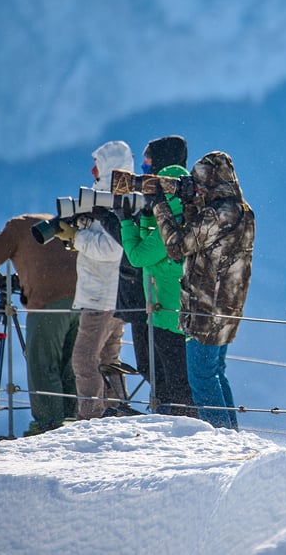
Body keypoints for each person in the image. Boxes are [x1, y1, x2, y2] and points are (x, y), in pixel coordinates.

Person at [153, 151, 255, 429]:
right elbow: (202, 241)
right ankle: (231, 434)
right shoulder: (241, 210)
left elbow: (176, 247)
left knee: (201, 378)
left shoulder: (218, 214)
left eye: (199, 184)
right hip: (228, 305)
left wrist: (159, 206)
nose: (196, 188)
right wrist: (190, 205)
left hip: (206, 307)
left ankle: (220, 437)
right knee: (216, 373)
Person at [99, 135, 188, 401]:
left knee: (169, 376)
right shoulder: (179, 198)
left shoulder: (172, 205)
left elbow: (138, 254)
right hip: (159, 301)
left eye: (148, 165)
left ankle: (177, 420)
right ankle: (174, 415)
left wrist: (120, 219)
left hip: (164, 304)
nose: (143, 171)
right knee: (165, 373)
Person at [0, 215, 80, 436]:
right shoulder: (56, 223)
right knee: (71, 364)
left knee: (43, 363)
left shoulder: (17, 226)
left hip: (48, 300)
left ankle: (48, 425)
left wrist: (0, 243)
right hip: (84, 299)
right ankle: (73, 421)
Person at [55, 140, 134, 419]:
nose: (92, 170)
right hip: (114, 294)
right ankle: (115, 409)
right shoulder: (119, 198)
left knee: (84, 358)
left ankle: (90, 415)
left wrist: (76, 237)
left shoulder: (111, 201)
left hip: (102, 295)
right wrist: (83, 225)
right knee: (108, 358)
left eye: (98, 165)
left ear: (108, 167)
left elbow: (112, 248)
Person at [119, 163, 196, 417]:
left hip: (166, 313)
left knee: (173, 381)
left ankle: (181, 424)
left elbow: (138, 256)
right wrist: (148, 217)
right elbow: (150, 250)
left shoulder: (171, 226)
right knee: (179, 377)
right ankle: (180, 419)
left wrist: (126, 223)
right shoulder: (186, 217)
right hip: (180, 310)